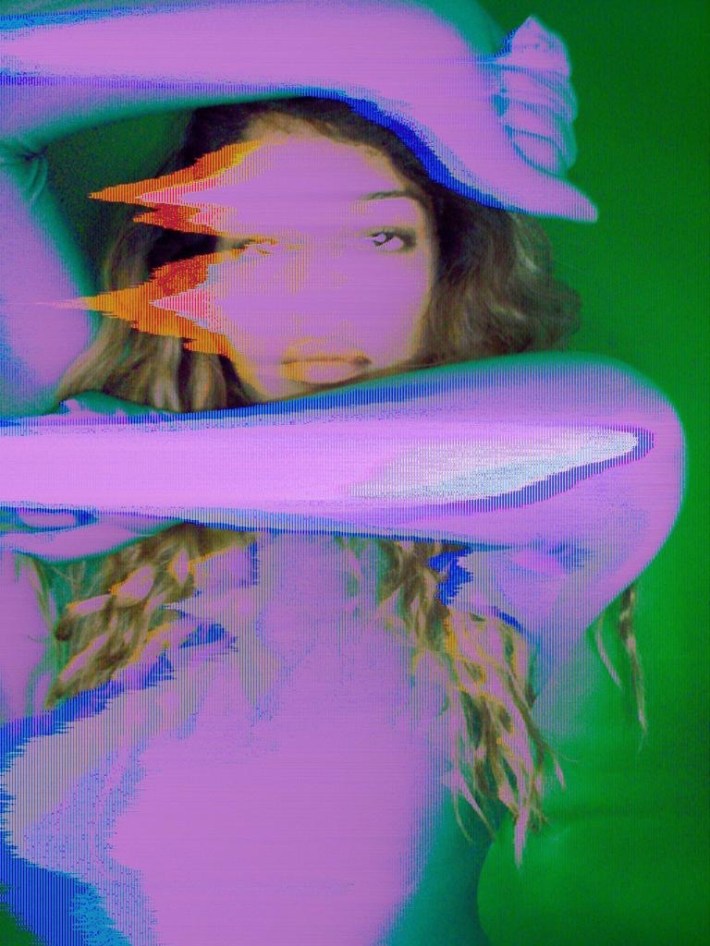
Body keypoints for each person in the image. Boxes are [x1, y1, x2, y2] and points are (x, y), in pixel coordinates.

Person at [0, 3, 684, 944]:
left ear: (449, 268)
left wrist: (106, 473)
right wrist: (401, 39)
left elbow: (625, 436)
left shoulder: (498, 560)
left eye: (379, 239)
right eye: (259, 243)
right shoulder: (79, 509)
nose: (317, 296)